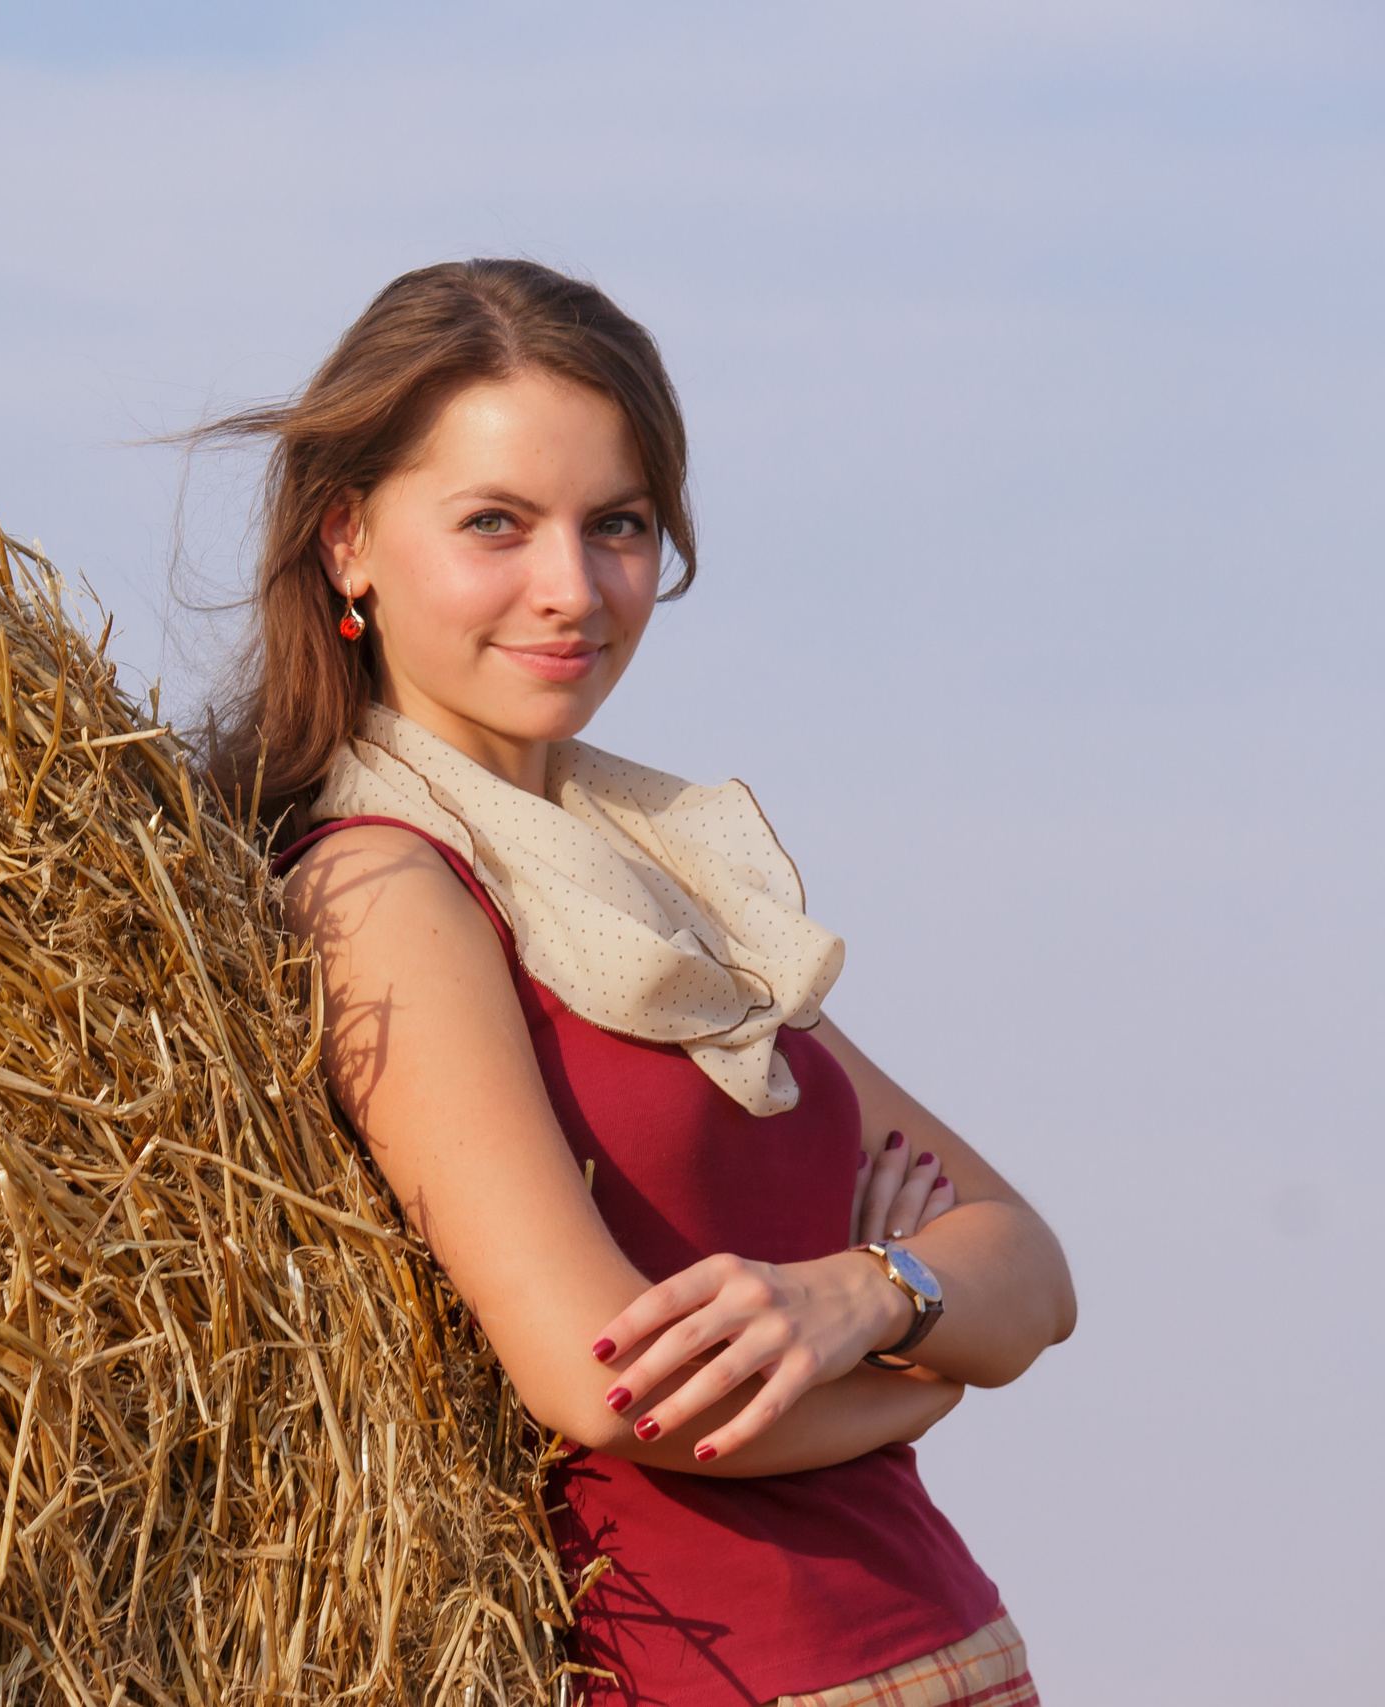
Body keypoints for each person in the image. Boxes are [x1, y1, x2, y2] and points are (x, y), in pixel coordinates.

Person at [205, 260, 1076, 1706]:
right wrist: (927, 1365)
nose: (573, 588)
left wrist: (863, 1298)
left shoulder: (665, 881)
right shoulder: (385, 887)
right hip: (720, 1678)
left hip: (948, 1652)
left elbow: (1034, 1273)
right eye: (497, 524)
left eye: (617, 526)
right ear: (348, 538)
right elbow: (609, 1388)